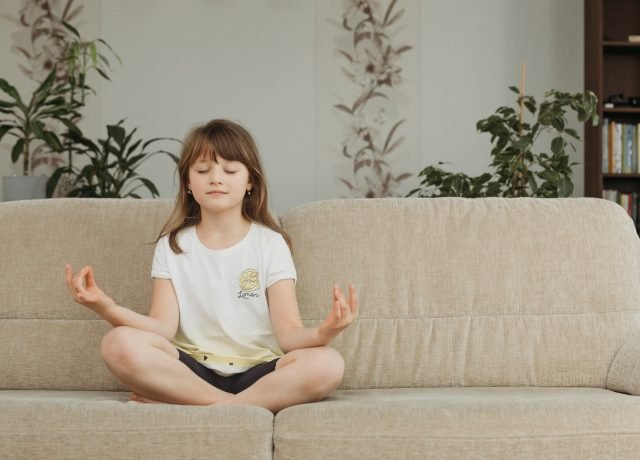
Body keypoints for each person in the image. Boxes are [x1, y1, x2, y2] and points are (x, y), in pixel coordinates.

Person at [65, 119, 357, 413]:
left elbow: (289, 334)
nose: (216, 178)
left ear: (250, 182)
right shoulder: (172, 245)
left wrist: (326, 331)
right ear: (188, 183)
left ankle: (205, 407)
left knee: (328, 364)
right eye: (203, 171)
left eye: (230, 170)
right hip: (191, 371)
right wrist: (105, 306)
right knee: (117, 343)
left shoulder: (270, 243)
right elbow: (162, 329)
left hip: (261, 373)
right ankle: (232, 407)